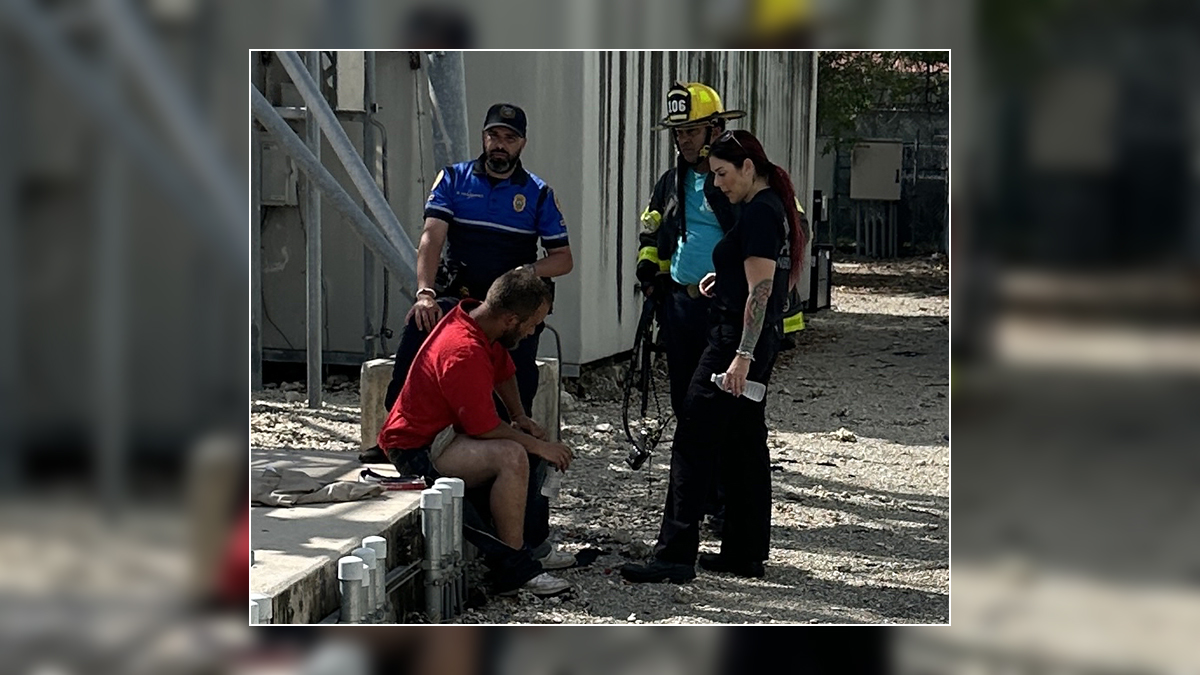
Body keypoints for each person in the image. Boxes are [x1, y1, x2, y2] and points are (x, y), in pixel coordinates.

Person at [380, 102, 576, 570]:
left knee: (524, 424)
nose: (499, 144)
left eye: (509, 137)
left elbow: (563, 259)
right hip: (468, 304)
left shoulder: (538, 193)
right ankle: (395, 444)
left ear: (522, 143)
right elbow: (432, 238)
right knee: (420, 329)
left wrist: (523, 277)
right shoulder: (453, 179)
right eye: (493, 135)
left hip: (508, 306)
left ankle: (532, 541)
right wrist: (425, 293)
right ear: (483, 137)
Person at [621, 130, 806, 583]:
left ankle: (674, 555)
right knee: (743, 439)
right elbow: (751, 276)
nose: (717, 183)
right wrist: (718, 280)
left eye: (723, 173)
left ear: (748, 167)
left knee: (693, 440)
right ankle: (744, 552)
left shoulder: (762, 212)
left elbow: (762, 290)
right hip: (750, 341)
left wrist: (740, 356)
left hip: (733, 343)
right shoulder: (765, 209)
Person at [377, 268, 575, 597]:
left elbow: (503, 371)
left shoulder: (478, 320)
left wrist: (519, 416)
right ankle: (515, 569)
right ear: (511, 319)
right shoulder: (463, 350)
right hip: (417, 448)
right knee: (513, 455)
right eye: (531, 324)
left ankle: (534, 547)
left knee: (529, 447)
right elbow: (483, 428)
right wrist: (536, 446)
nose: (532, 332)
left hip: (442, 434)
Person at [634, 82, 745, 532]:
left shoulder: (738, 177)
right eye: (678, 134)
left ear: (716, 131)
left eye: (692, 132)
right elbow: (652, 230)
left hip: (722, 310)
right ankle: (696, 497)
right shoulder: (671, 181)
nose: (683, 141)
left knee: (717, 405)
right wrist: (650, 273)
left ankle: (724, 501)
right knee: (685, 401)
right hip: (679, 306)